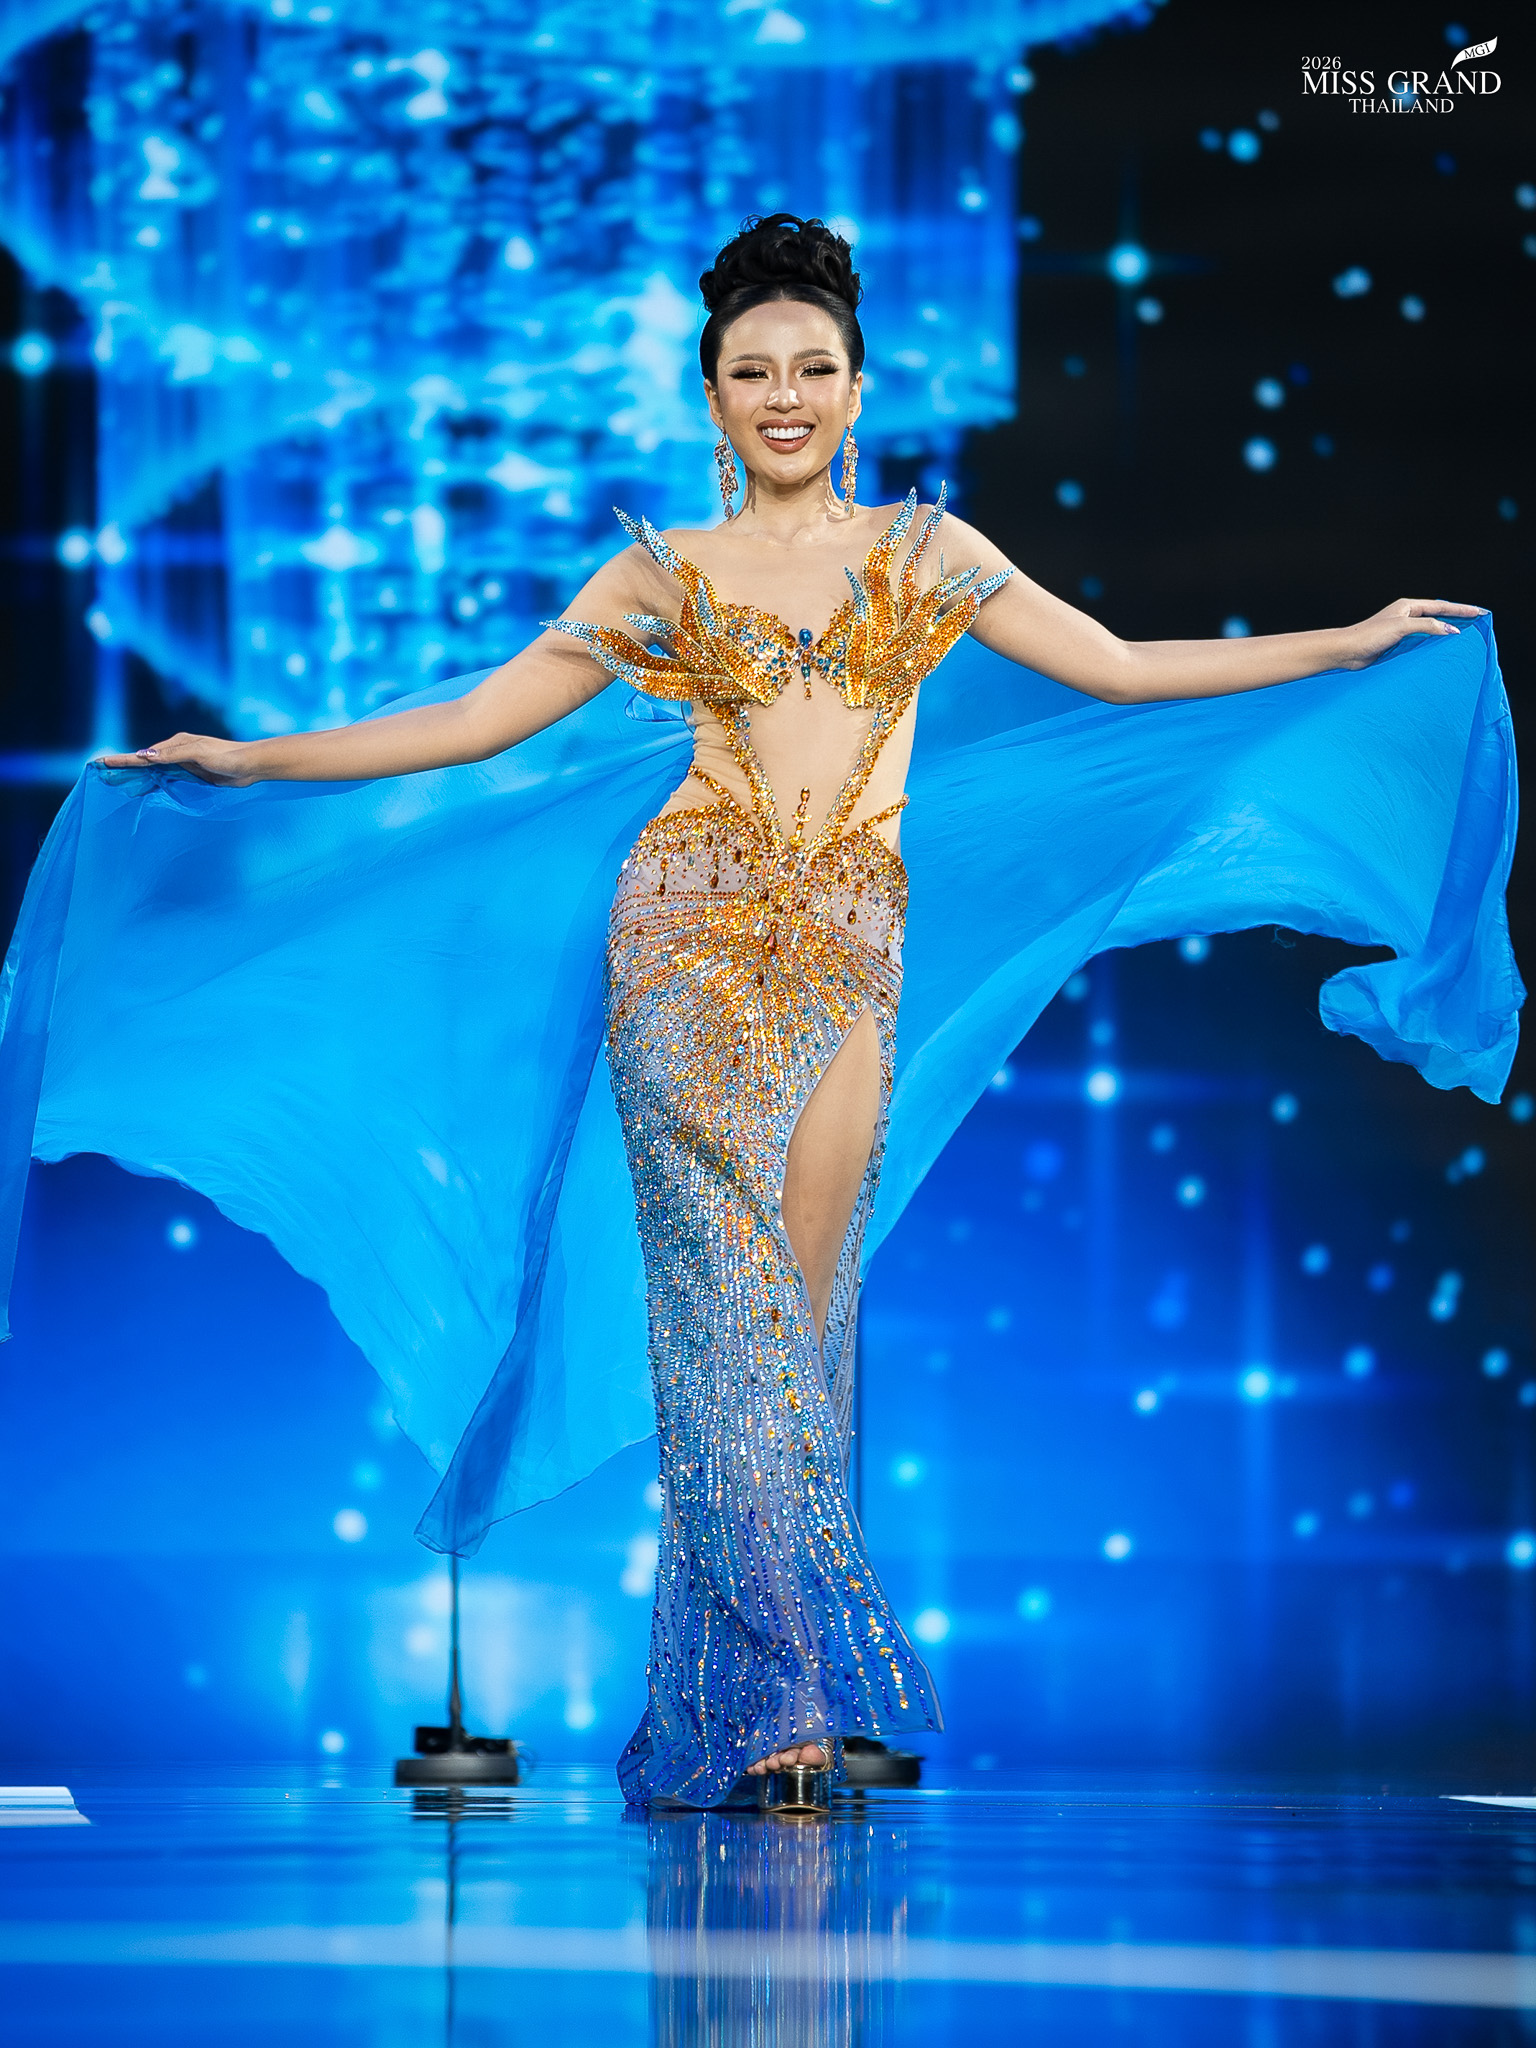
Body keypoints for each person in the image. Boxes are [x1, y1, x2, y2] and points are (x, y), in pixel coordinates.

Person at [3, 216, 1518, 1809]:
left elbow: (1123, 671)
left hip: (855, 947)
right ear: (713, 397)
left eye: (812, 369)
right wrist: (244, 760)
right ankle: (786, 1711)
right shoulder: (661, 573)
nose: (784, 396)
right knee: (724, 1322)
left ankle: (729, 1705)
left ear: (857, 390)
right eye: (752, 373)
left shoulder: (929, 552)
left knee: (799, 1320)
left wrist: (1350, 643)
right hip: (685, 939)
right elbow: (472, 725)